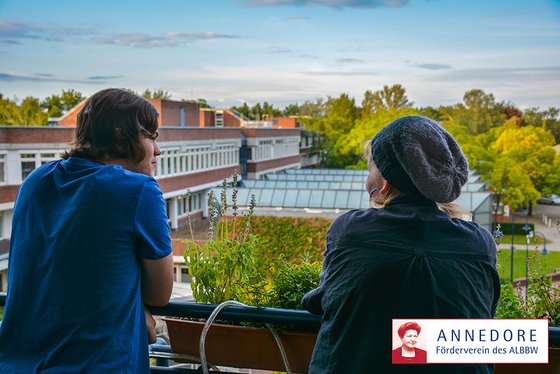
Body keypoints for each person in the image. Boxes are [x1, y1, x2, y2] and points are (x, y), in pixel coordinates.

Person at [302, 116, 500, 373]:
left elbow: (324, 299)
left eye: (370, 168)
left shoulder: (349, 230)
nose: (367, 181)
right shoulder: (479, 244)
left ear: (385, 182)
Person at [0, 88, 174, 373]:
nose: (158, 150)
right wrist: (137, 308)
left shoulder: (35, 181)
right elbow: (160, 294)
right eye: (149, 137)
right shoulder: (138, 190)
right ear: (121, 135)